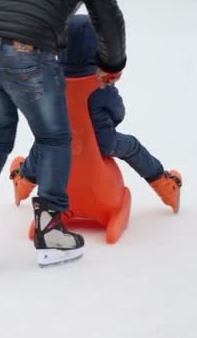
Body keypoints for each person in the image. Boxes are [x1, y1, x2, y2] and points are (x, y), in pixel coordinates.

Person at [0, 0, 126, 267]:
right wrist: (112, 63)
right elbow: (107, 16)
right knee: (54, 138)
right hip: (27, 47)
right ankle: (51, 230)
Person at [10, 15, 183, 216]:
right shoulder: (100, 83)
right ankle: (165, 186)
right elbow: (117, 112)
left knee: (41, 147)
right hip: (103, 142)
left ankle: (22, 184)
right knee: (133, 147)